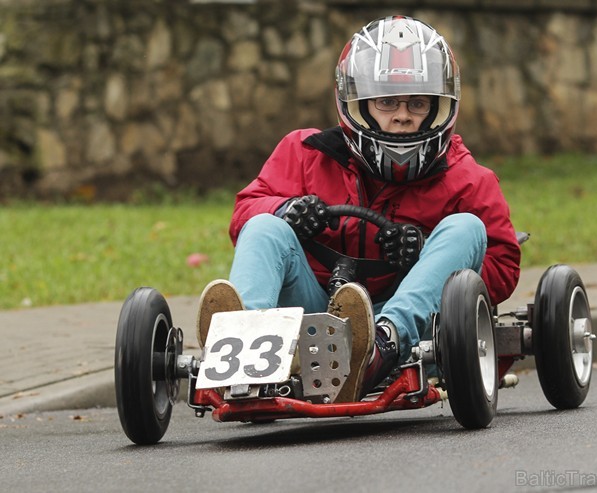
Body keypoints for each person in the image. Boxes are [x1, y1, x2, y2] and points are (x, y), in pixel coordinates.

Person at [196, 16, 521, 403]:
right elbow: (244, 213)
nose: (402, 115)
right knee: (265, 225)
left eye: (417, 103)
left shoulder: (469, 178)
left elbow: (502, 267)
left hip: (411, 324)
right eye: (387, 102)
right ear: (357, 102)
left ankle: (376, 349)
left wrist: (426, 251)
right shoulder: (304, 152)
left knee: (467, 228)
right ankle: (248, 353)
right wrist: (288, 210)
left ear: (440, 106)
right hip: (311, 309)